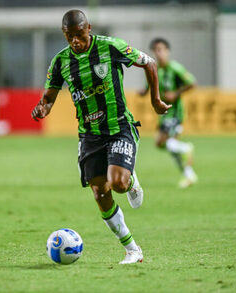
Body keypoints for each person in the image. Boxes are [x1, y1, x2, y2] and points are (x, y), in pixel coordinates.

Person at [31, 10, 171, 264]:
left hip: (119, 127)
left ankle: (129, 180)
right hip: (89, 136)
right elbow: (49, 98)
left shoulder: (109, 47)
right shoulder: (61, 62)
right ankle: (132, 249)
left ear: (89, 28)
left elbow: (149, 63)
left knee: (117, 183)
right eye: (69, 36)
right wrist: (43, 108)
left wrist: (155, 99)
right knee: (100, 194)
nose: (75, 41)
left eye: (79, 35)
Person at [139, 38, 197, 188]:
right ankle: (189, 175)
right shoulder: (154, 69)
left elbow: (192, 83)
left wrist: (176, 93)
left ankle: (186, 150)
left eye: (161, 50)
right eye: (156, 50)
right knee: (166, 145)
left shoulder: (175, 68)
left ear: (167, 51)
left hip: (175, 113)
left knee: (163, 142)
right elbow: (149, 85)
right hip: (164, 114)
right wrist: (144, 91)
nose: (158, 53)